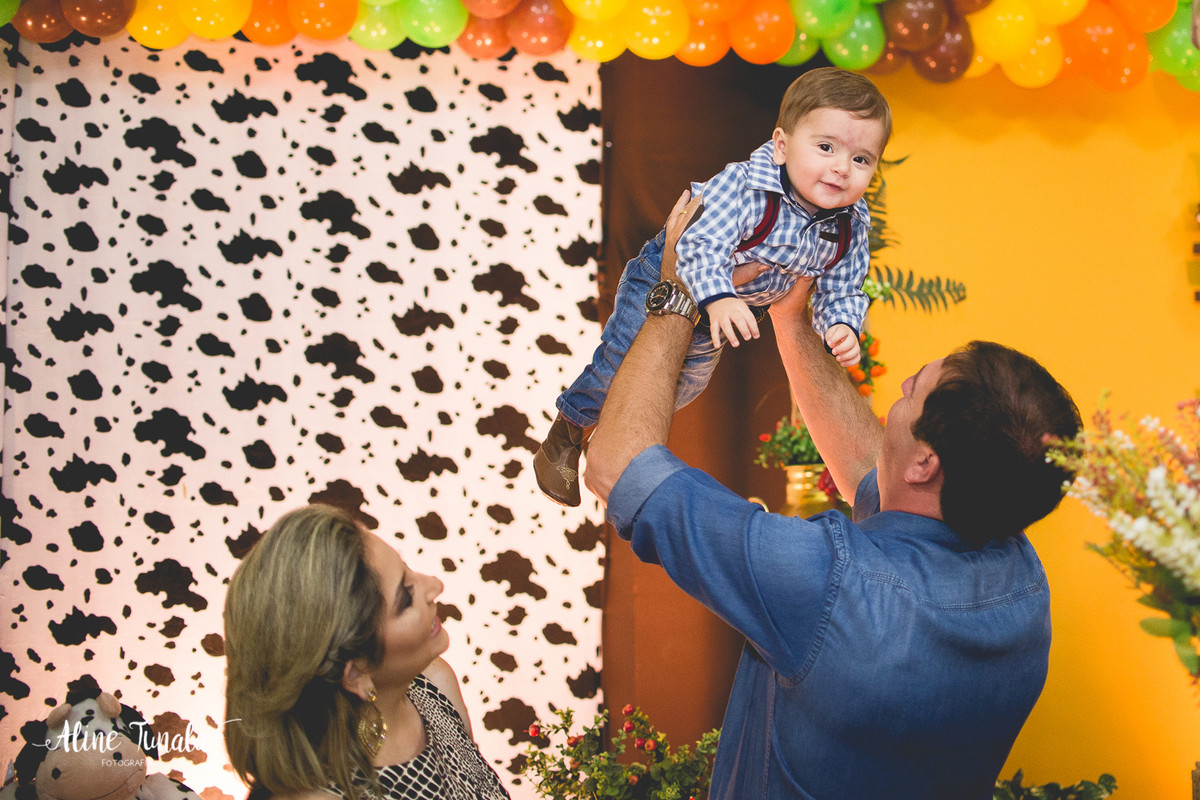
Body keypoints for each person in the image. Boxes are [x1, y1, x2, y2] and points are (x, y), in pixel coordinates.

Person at [583, 192, 1083, 799]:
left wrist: (679, 291)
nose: (897, 389)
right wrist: (793, 321)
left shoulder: (825, 582)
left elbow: (618, 466)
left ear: (928, 462)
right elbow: (877, 475)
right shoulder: (1019, 572)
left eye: (911, 393)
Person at [534, 67, 892, 507]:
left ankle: (608, 433)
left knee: (683, 384)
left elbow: (844, 283)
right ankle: (565, 432)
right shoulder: (745, 188)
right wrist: (719, 296)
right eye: (825, 148)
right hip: (670, 279)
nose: (842, 168)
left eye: (861, 159)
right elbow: (698, 245)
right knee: (620, 365)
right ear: (781, 146)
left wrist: (841, 324)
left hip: (727, 309)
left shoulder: (851, 224)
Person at [223, 504, 511, 800]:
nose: (435, 586)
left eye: (408, 570)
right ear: (357, 673)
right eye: (406, 597)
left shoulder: (435, 685)